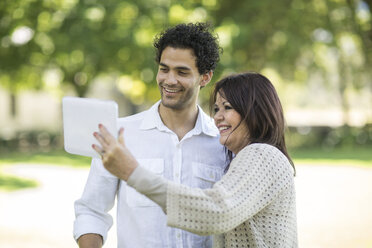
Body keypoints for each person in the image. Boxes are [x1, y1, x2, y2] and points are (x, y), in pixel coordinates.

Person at [93, 72, 298, 248]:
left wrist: (132, 172)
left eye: (227, 107)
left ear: (254, 111)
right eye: (216, 109)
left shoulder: (262, 155)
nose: (217, 117)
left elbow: (216, 211)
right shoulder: (246, 158)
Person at [73, 23, 227, 248]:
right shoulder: (119, 135)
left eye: (182, 72)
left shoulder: (222, 143)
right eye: (164, 69)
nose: (169, 80)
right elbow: (91, 211)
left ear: (205, 77)